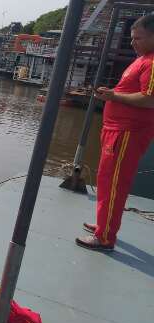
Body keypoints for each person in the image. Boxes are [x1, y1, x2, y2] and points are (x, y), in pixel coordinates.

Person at [76, 14, 154, 251]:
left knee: (114, 184)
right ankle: (104, 224)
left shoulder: (152, 63)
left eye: (137, 38)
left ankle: (106, 236)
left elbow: (150, 99)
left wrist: (114, 96)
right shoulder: (142, 60)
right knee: (106, 180)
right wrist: (112, 95)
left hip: (127, 134)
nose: (132, 43)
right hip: (116, 131)